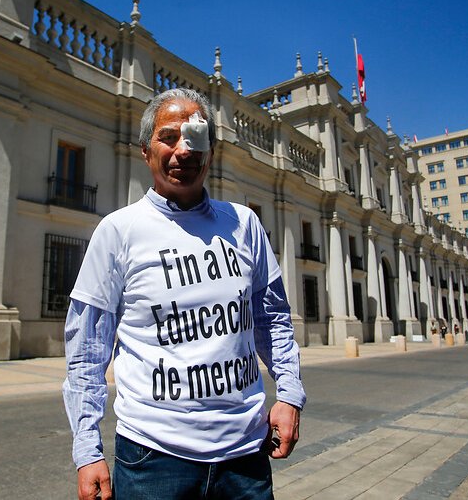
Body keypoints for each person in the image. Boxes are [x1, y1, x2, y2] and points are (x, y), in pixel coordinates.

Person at [62, 88, 306, 500]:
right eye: (168, 136)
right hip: (153, 459)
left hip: (245, 459)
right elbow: (87, 348)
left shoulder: (244, 225)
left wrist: (290, 394)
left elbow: (273, 319)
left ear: (210, 150)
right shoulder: (119, 232)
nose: (183, 151)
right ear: (145, 150)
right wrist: (88, 450)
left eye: (194, 137)